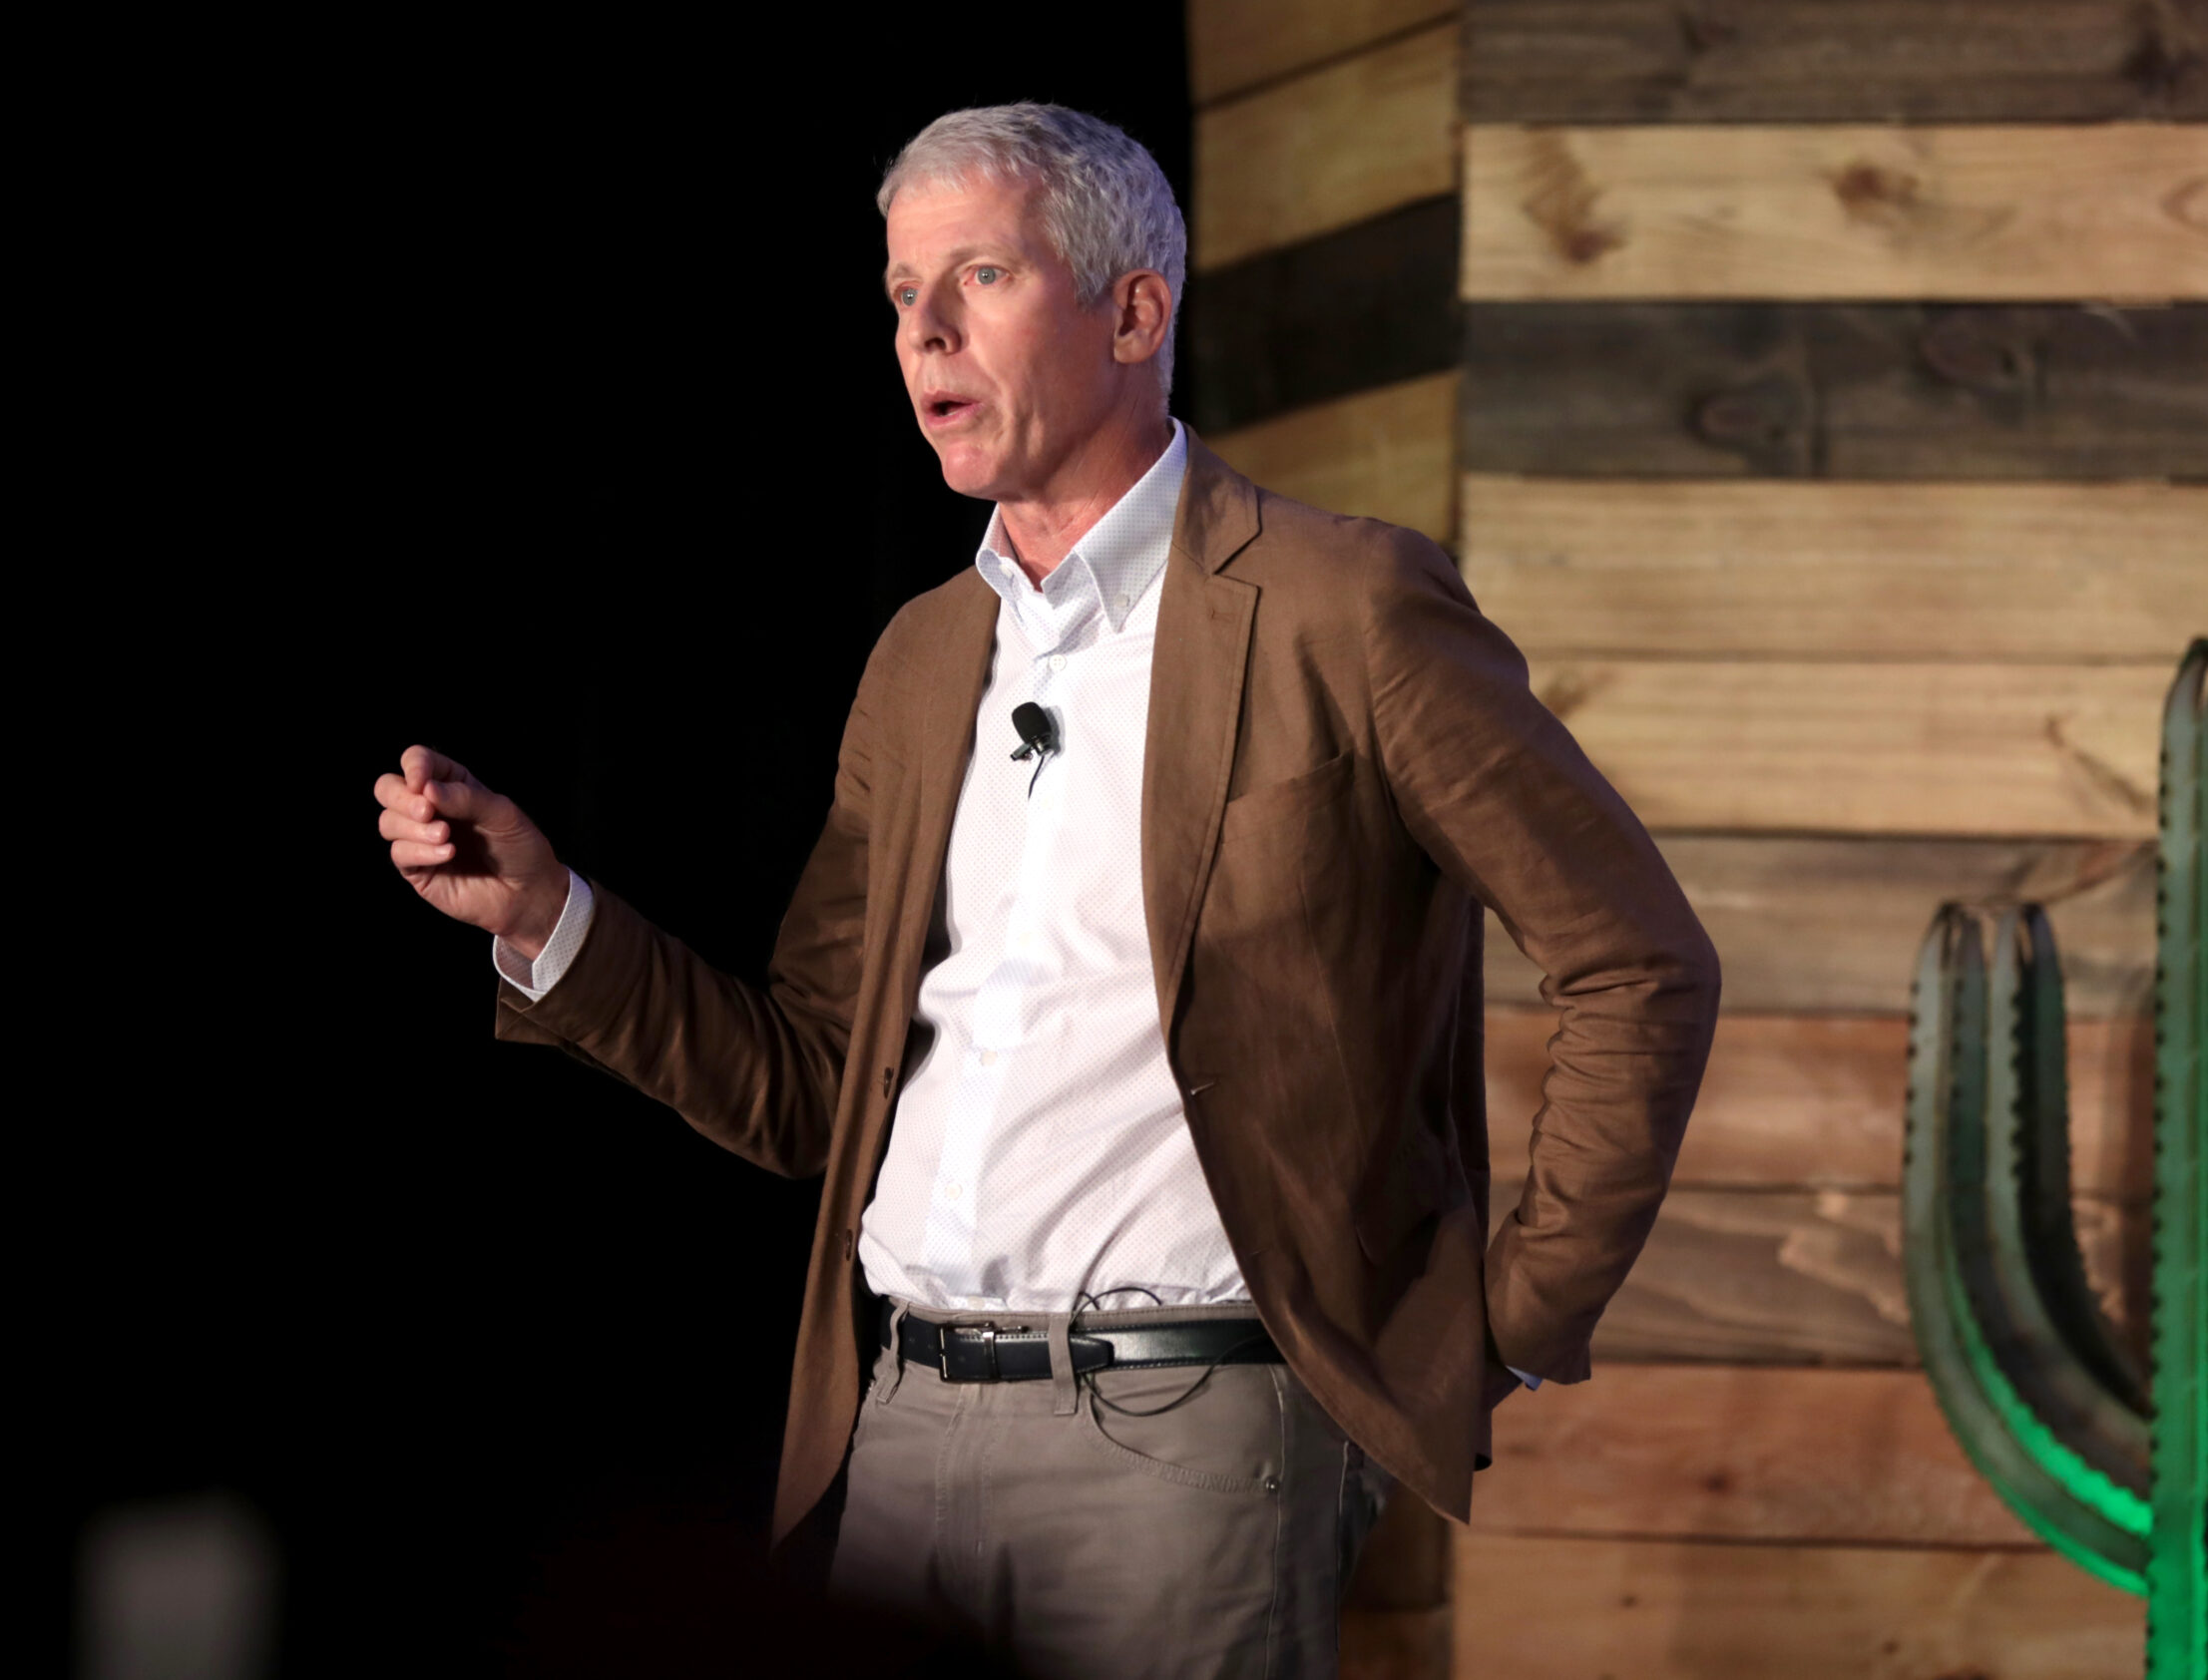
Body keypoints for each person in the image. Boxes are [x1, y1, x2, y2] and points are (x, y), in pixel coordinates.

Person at [373, 103, 1717, 1678]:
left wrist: (1508, 1322)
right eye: (897, 293)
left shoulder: (1342, 609)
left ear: (1135, 310)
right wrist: (546, 921)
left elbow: (1636, 961)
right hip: (903, 1427)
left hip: (1187, 1439)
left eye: (982, 276)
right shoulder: (925, 656)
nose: (921, 330)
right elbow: (814, 1086)